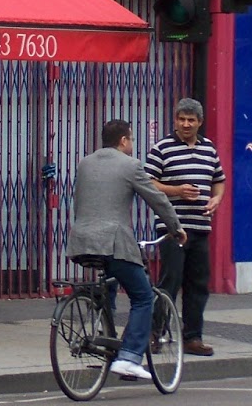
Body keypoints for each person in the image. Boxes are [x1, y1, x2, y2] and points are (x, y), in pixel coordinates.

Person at [67, 119, 187, 383]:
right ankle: (130, 357)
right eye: (131, 139)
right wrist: (175, 228)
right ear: (123, 141)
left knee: (108, 284)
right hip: (113, 242)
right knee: (143, 296)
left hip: (82, 241)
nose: (132, 144)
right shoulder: (130, 165)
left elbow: (79, 201)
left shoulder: (84, 163)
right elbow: (157, 199)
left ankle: (105, 337)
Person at [146, 96, 225, 358]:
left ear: (200, 122)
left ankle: (193, 336)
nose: (186, 124)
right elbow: (147, 182)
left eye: (191, 120)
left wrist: (216, 199)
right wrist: (176, 190)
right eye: (182, 119)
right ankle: (153, 333)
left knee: (198, 283)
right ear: (175, 120)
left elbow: (219, 180)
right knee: (170, 280)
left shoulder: (209, 148)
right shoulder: (162, 148)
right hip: (172, 227)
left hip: (200, 226)